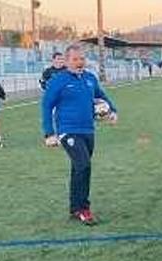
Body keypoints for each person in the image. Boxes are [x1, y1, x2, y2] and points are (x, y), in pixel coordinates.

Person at [41, 44, 117, 226]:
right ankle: (84, 209)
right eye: (75, 59)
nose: (79, 62)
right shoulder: (59, 81)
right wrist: (49, 133)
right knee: (84, 165)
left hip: (88, 130)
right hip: (68, 130)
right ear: (67, 61)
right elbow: (46, 105)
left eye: (82, 58)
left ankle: (75, 208)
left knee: (79, 168)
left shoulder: (90, 78)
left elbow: (101, 96)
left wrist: (112, 110)